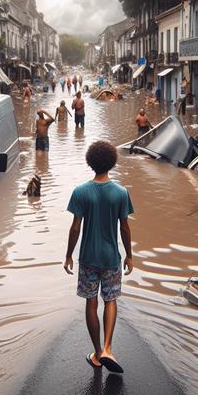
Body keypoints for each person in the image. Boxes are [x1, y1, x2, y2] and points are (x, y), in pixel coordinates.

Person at [64, 141, 134, 374]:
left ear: (90, 162)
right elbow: (124, 228)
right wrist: (129, 256)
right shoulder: (121, 193)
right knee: (111, 300)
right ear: (112, 162)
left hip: (88, 258)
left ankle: (96, 353)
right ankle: (107, 348)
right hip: (111, 257)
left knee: (91, 302)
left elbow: (75, 228)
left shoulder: (80, 192)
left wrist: (68, 256)